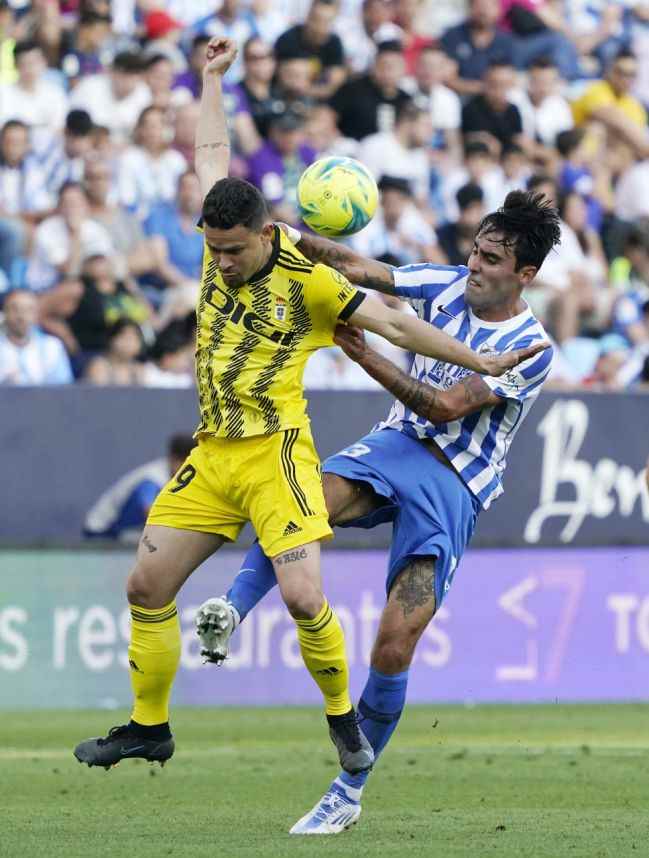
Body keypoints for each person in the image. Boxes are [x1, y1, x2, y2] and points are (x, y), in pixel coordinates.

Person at [72, 36, 542, 778]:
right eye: (212, 249)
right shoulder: (216, 239)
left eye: (231, 251)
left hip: (279, 451)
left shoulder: (310, 284)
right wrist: (210, 80)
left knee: (302, 596)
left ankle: (340, 724)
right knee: (144, 586)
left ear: (264, 235)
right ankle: (147, 726)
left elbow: (394, 321)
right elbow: (212, 154)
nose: (219, 263)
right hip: (214, 449)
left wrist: (478, 360)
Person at [195, 188, 560, 835]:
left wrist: (366, 356)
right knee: (301, 501)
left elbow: (446, 407)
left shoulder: (532, 347)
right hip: (392, 447)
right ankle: (228, 611)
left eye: (491, 259)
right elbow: (360, 268)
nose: (474, 264)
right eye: (474, 250)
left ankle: (346, 791)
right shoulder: (444, 284)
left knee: (393, 646)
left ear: (523, 275)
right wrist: (281, 238)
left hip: (453, 483)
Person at [84, 435, 196, 543]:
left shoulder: (182, 478)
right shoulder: (153, 478)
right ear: (172, 459)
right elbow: (148, 511)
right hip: (101, 532)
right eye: (182, 462)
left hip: (125, 533)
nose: (185, 468)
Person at [0, 288, 73, 385]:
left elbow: (64, 388)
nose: (21, 316)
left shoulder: (52, 346)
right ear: (4, 313)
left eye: (28, 310)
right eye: (14, 309)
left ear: (36, 314)